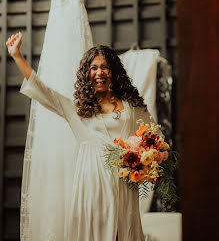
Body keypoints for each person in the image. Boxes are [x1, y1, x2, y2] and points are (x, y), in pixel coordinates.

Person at [6, 32, 163, 241]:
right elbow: (43, 91)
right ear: (87, 73)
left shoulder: (131, 106)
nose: (100, 72)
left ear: (113, 71)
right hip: (91, 185)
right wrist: (17, 56)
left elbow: (155, 137)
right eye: (94, 68)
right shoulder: (77, 109)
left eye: (105, 67)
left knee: (123, 232)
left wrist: (148, 158)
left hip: (124, 185)